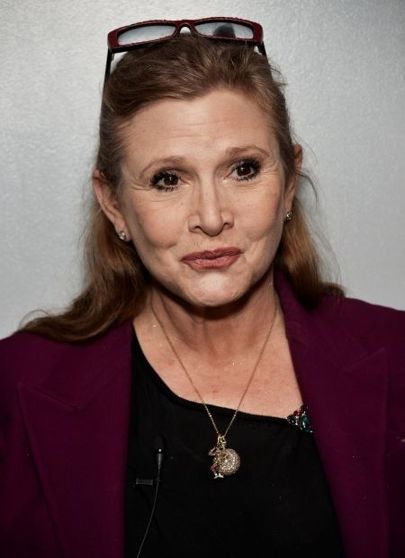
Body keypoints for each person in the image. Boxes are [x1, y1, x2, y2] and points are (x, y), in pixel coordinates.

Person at [0, 17, 404, 558]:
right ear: (113, 202)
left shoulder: (397, 353)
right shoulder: (15, 385)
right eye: (168, 179)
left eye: (244, 169)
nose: (211, 218)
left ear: (289, 183)